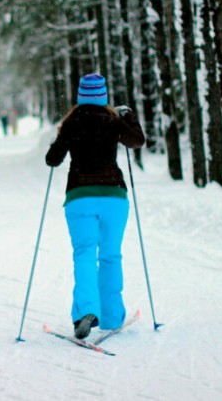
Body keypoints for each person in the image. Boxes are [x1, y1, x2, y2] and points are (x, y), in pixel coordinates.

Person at [45, 74, 145, 340]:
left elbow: (52, 160)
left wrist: (61, 139)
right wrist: (128, 117)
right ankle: (112, 316)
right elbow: (137, 141)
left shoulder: (72, 122)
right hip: (114, 195)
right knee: (111, 254)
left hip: (80, 196)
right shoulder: (113, 121)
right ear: (103, 96)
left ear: (80, 96)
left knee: (85, 254)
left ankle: (86, 312)